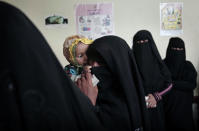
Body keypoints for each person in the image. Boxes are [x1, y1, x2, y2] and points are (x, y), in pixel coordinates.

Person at [0, 2, 105, 131]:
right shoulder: (68, 71)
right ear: (71, 58)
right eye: (80, 55)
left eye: (87, 54)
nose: (86, 58)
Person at [77, 35, 151, 131]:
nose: (93, 67)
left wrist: (87, 105)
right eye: (91, 61)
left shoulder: (125, 108)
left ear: (119, 65)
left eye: (101, 62)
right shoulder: (89, 89)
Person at [132, 30, 173, 131]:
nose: (142, 45)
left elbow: (169, 85)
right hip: (138, 109)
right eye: (139, 42)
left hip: (157, 110)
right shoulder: (131, 65)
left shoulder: (159, 64)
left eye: (145, 41)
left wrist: (156, 96)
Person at [164, 37, 197, 131]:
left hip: (184, 111)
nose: (177, 51)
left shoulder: (188, 66)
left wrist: (172, 83)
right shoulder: (162, 65)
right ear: (169, 49)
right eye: (174, 48)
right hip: (167, 111)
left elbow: (192, 84)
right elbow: (160, 83)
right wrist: (181, 84)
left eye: (180, 49)